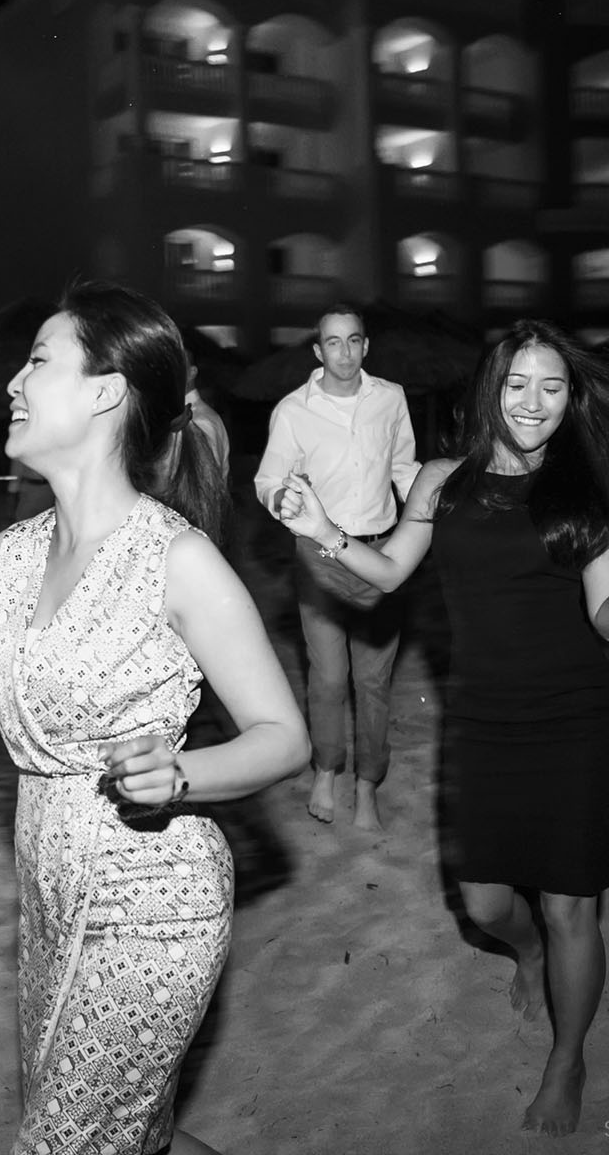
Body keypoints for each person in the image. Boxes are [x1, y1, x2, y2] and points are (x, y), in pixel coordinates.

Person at [0, 281, 309, 1155]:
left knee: (67, 1142)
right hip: (43, 882)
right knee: (122, 1134)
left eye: (39, 360)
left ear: (106, 392)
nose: (13, 381)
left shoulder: (178, 558)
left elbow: (285, 736)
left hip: (153, 890)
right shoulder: (10, 557)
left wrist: (184, 774)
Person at [276, 319, 609, 1137]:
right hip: (482, 721)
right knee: (485, 902)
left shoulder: (587, 488)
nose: (533, 403)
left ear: (571, 399)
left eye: (552, 386)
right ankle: (526, 952)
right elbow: (389, 571)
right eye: (517, 385)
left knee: (574, 907)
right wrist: (322, 529)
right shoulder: (441, 481)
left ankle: (567, 1059)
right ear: (490, 390)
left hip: (573, 720)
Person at [253, 303, 418, 830]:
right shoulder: (293, 410)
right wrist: (281, 499)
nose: (343, 352)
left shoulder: (390, 399)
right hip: (320, 556)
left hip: (379, 552)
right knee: (328, 677)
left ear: (365, 346)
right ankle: (327, 769)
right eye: (333, 342)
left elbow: (404, 469)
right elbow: (267, 479)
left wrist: (429, 520)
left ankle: (368, 784)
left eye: (353, 341)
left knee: (374, 681)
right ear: (318, 350)